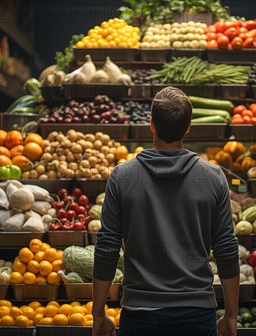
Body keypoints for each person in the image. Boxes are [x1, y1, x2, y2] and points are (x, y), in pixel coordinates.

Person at [92, 86, 240, 336]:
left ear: (152, 124)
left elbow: (107, 247)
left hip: (139, 314)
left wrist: (98, 314)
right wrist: (231, 315)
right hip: (198, 313)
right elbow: (226, 248)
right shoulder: (214, 177)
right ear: (188, 127)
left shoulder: (122, 176)